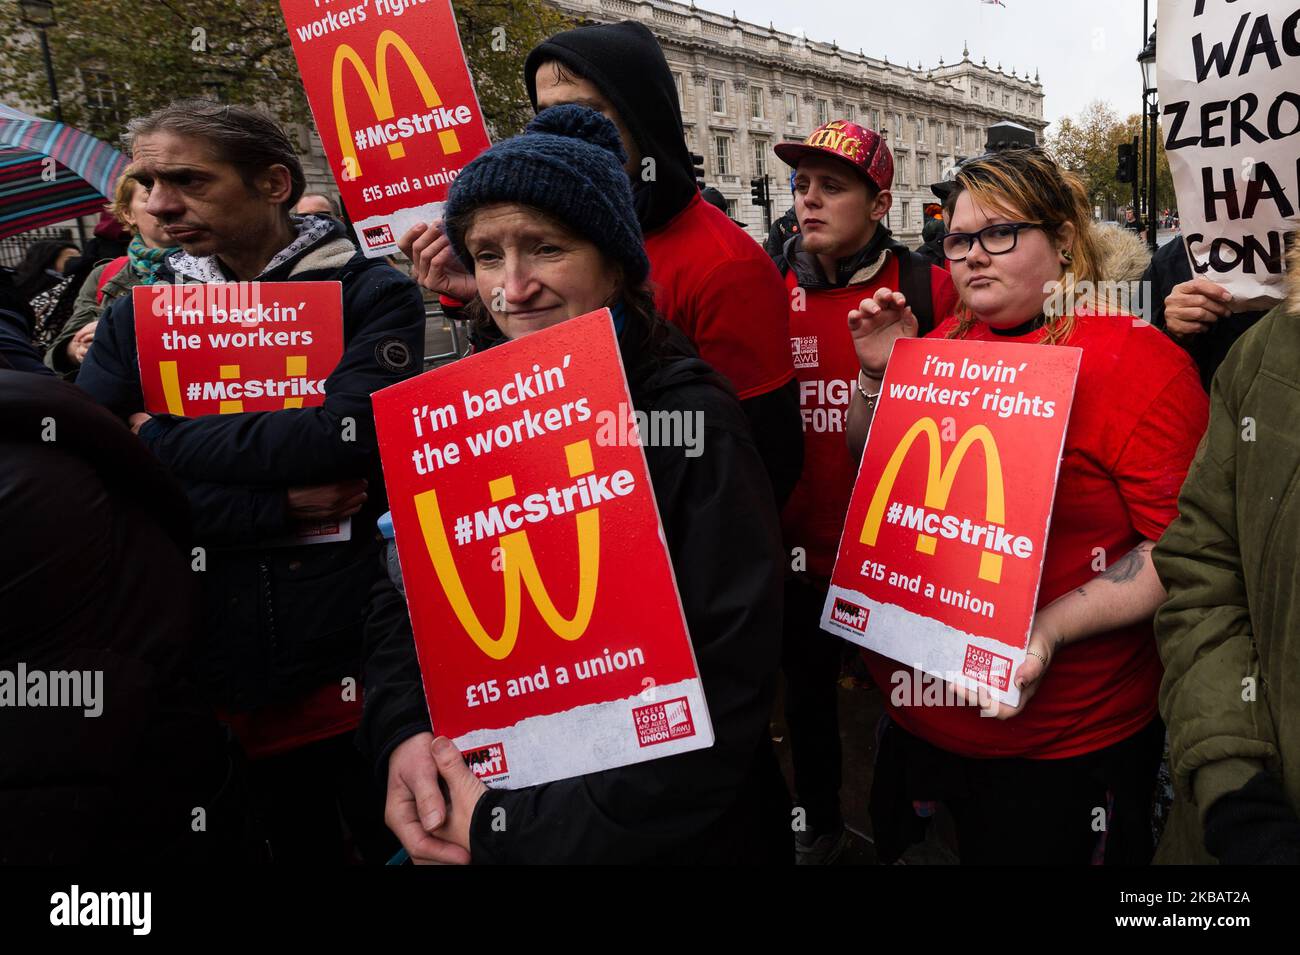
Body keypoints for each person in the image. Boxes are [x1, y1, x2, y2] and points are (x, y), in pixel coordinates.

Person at [361, 104, 788, 865]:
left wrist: (520, 834)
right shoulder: (461, 411)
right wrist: (402, 732)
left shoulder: (686, 417)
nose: (512, 286)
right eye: (487, 255)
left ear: (616, 265)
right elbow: (406, 597)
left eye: (546, 248)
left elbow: (728, 681)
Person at [77, 100, 426, 864]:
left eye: (190, 180)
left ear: (272, 182)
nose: (160, 203)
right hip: (208, 668)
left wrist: (158, 434)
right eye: (149, 180)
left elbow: (348, 435)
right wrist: (268, 503)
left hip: (355, 657)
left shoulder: (372, 294)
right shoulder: (136, 314)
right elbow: (97, 474)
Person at [845, 147, 1208, 864]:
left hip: (1063, 750)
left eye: (1000, 233)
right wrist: (876, 378)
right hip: (915, 726)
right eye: (957, 236)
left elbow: (1187, 547)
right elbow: (873, 467)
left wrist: (1051, 628)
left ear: (1065, 239)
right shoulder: (942, 340)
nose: (973, 255)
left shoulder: (1138, 359)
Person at [400, 19, 802, 507]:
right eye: (545, 117)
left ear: (641, 117)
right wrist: (488, 304)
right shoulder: (528, 261)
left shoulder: (726, 264)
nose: (563, 136)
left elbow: (761, 456)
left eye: (586, 115)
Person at [773, 118, 959, 863]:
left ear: (880, 205)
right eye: (802, 185)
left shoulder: (931, 286)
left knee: (910, 708)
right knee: (810, 704)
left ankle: (913, 831)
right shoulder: (767, 285)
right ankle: (819, 825)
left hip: (898, 556)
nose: (809, 200)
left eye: (833, 186)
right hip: (795, 553)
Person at [1, 369, 258, 863]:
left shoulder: (44, 457)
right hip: (163, 773)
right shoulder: (55, 424)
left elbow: (339, 430)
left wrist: (162, 436)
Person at [1152, 244, 1300, 864]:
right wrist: (1232, 782)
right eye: (962, 239)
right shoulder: (1266, 354)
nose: (973, 256)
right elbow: (1204, 564)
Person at [45, 168, 179, 380]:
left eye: (174, 197)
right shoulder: (106, 274)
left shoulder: (225, 265)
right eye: (149, 197)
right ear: (128, 214)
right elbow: (56, 355)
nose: (163, 207)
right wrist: (75, 349)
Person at [1141, 233, 1272, 391]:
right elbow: (1134, 338)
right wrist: (1170, 331)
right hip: (1195, 402)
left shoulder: (1291, 256)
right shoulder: (1163, 261)